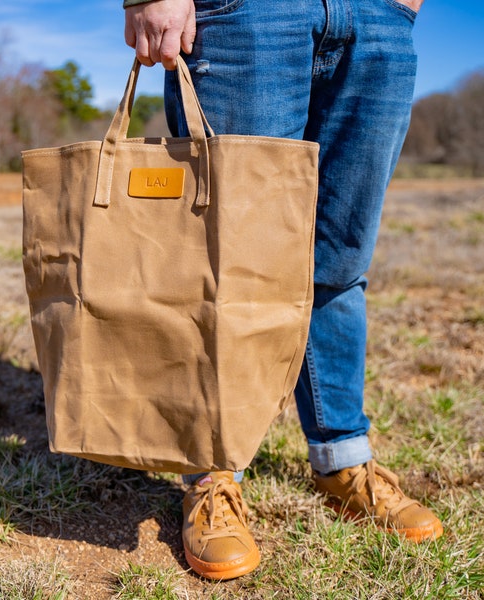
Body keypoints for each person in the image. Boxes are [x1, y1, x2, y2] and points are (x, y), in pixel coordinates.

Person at [123, 0, 443, 580]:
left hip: (379, 19)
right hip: (249, 14)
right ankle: (212, 475)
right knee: (227, 262)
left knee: (340, 261)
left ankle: (341, 461)